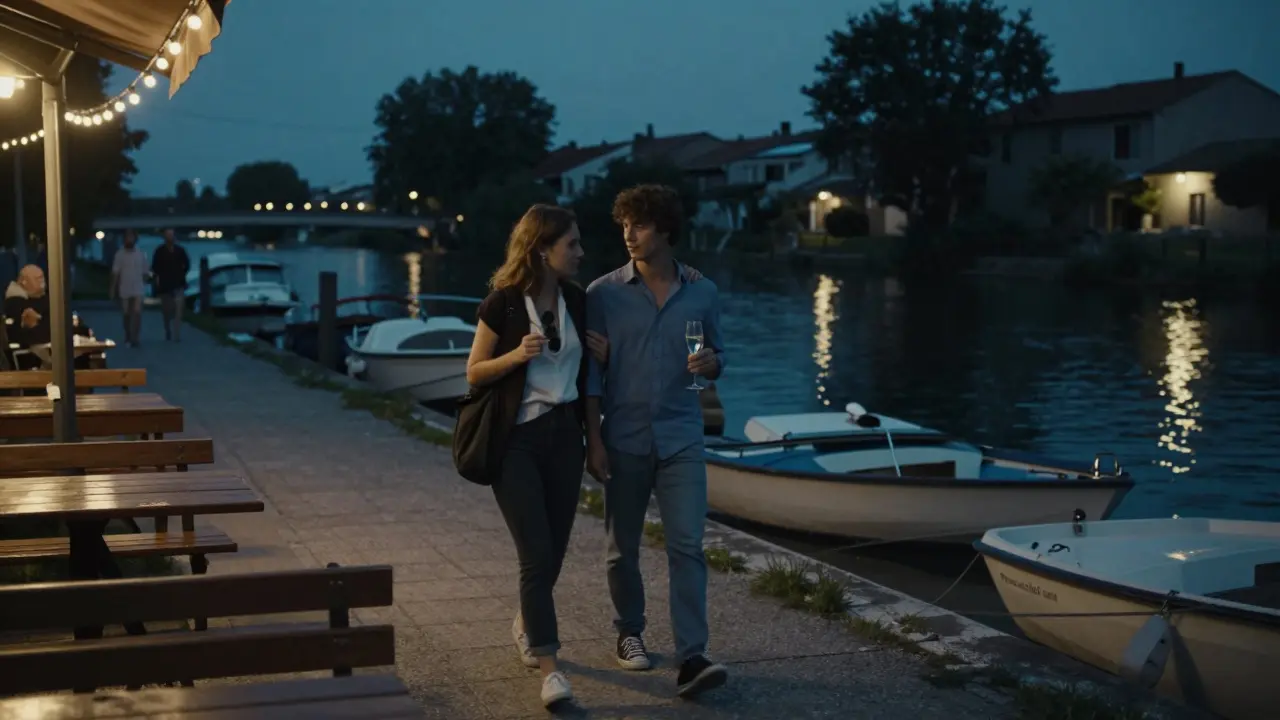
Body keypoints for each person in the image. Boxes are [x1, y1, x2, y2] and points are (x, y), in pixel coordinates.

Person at [585, 184, 729, 699]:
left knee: (687, 545)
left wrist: (713, 364)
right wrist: (593, 440)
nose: (628, 234)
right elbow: (591, 376)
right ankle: (629, 632)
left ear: (665, 229)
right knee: (621, 548)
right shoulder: (602, 294)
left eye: (640, 225)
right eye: (623, 225)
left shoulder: (702, 291)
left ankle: (692, 655)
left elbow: (716, 354)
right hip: (622, 437)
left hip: (682, 435)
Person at [463, 204, 606, 709]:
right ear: (543, 249)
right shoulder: (501, 304)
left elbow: (586, 378)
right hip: (517, 440)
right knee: (536, 554)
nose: (581, 252)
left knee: (556, 551)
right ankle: (551, 669)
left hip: (565, 439)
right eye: (573, 244)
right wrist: (515, 356)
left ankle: (527, 622)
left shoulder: (577, 300)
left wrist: (595, 441)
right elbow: (475, 373)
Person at [3, 264, 50, 370]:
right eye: (37, 278)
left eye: (42, 277)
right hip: (30, 359)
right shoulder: (15, 304)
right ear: (24, 281)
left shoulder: (49, 299)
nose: (42, 281)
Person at [110, 229, 148, 347]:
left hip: (138, 287)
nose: (129, 240)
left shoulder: (141, 254)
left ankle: (135, 337)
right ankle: (128, 334)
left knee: (137, 312)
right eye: (127, 237)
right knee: (126, 313)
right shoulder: (120, 254)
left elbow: (145, 272)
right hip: (125, 287)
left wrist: (145, 283)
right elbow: (115, 273)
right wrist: (112, 288)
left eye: (131, 237)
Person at [151, 228, 191, 341]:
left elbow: (187, 264)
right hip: (165, 285)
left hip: (179, 283)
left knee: (179, 310)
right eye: (168, 235)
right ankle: (167, 328)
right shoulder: (159, 251)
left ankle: (177, 333)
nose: (170, 237)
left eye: (171, 235)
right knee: (166, 310)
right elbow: (155, 267)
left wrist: (181, 273)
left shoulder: (180, 250)